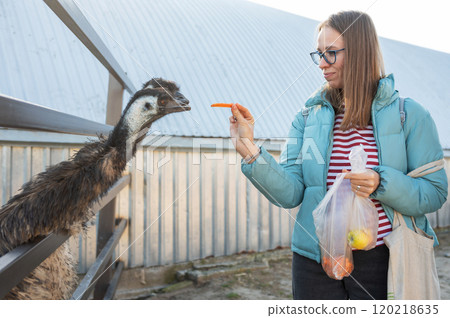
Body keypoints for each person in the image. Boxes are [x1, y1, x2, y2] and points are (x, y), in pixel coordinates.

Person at [229, 10, 448, 300]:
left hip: (384, 259)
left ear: (359, 52)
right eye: (318, 54)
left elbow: (434, 192)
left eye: (330, 53)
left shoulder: (410, 116)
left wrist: (381, 183)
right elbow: (290, 193)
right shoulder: (306, 117)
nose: (321, 64)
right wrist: (251, 151)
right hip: (314, 261)